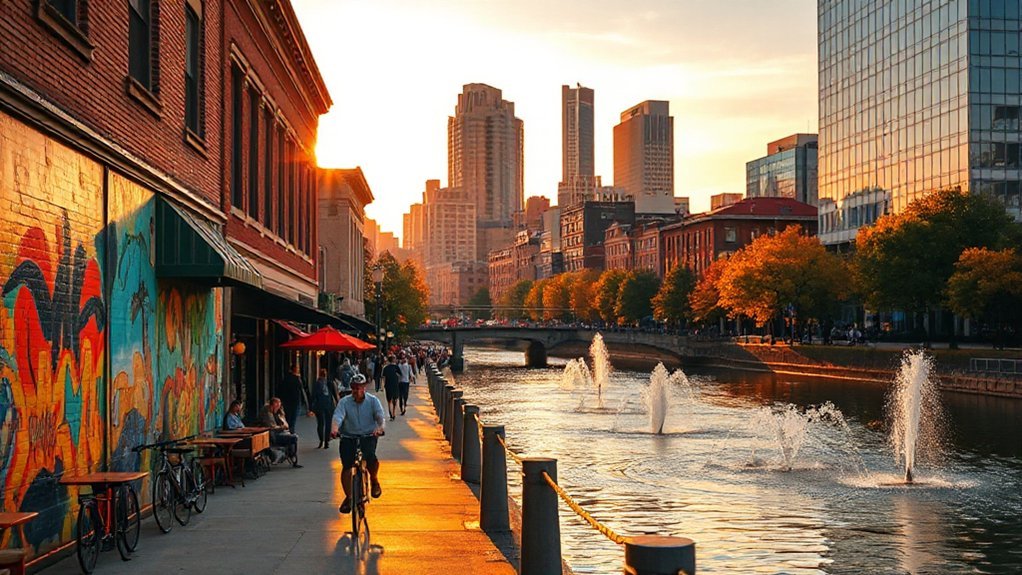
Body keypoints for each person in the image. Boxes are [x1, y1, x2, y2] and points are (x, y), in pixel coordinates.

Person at [331, 373, 385, 514]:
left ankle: (374, 480)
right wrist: (334, 429)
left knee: (371, 458)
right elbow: (338, 416)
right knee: (347, 466)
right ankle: (349, 497)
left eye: (359, 387)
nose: (356, 390)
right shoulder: (344, 402)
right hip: (349, 437)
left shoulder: (373, 401)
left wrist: (380, 428)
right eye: (354, 388)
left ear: (364, 387)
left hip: (368, 435)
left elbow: (380, 416)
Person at [259, 397, 302, 468]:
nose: (277, 407)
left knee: (293, 438)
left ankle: (291, 456)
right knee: (293, 438)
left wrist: (283, 425)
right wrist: (282, 427)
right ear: (271, 406)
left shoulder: (279, 412)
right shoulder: (267, 413)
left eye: (279, 406)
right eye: (276, 406)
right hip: (272, 435)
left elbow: (285, 425)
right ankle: (291, 456)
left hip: (280, 432)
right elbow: (271, 426)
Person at [277, 364, 312, 435]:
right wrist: (308, 406)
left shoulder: (285, 378)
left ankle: (288, 432)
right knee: (293, 420)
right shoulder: (298, 379)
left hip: (286, 402)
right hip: (295, 402)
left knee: (288, 418)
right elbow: (303, 391)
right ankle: (291, 433)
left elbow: (280, 390)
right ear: (296, 370)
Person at [312, 368, 339, 449]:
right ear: (326, 375)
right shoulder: (330, 382)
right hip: (329, 405)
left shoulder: (317, 384)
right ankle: (326, 441)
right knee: (328, 424)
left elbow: (313, 395)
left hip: (319, 406)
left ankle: (321, 440)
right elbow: (335, 394)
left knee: (320, 424)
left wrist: (311, 407)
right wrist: (338, 403)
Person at [381, 354, 400, 420]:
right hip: (395, 385)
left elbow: (383, 377)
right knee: (395, 399)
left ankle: (391, 413)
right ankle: (393, 413)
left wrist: (383, 385)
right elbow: (400, 375)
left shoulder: (385, 368)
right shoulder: (396, 367)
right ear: (393, 360)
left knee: (389, 400)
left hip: (388, 385)